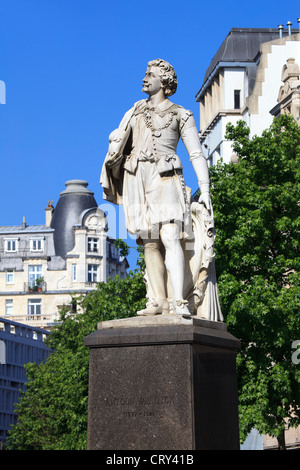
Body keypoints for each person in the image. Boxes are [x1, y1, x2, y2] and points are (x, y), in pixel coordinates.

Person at [100, 59, 214, 317]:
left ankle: (178, 301)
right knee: (149, 241)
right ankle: (159, 301)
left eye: (149, 74)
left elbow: (196, 153)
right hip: (138, 178)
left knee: (171, 236)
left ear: (163, 82)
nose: (144, 78)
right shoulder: (135, 111)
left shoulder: (180, 114)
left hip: (166, 177)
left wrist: (204, 188)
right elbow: (118, 142)